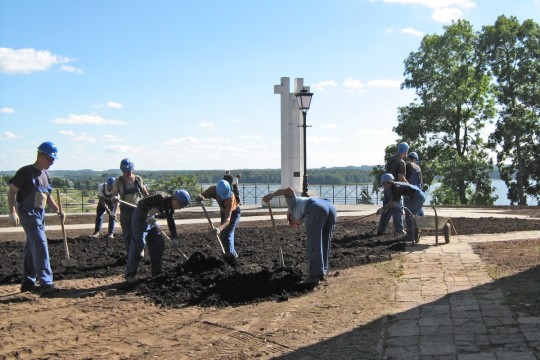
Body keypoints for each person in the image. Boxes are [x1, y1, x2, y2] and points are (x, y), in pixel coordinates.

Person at [7, 141, 64, 296]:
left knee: (31, 246)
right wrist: (13, 212)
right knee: (40, 243)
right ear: (41, 156)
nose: (52, 162)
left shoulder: (45, 175)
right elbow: (12, 192)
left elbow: (47, 195)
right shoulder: (25, 172)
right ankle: (46, 282)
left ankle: (27, 282)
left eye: (53, 159)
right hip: (27, 213)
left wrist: (58, 210)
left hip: (40, 213)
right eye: (50, 159)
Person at [262, 187, 337, 286]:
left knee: (313, 242)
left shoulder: (292, 206)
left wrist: (271, 195)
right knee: (324, 241)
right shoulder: (302, 209)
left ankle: (314, 276)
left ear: (290, 216)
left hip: (315, 207)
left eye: (293, 223)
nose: (296, 225)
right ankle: (322, 272)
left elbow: (288, 190)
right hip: (330, 207)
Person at [125, 190, 190, 284]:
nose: (180, 208)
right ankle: (130, 275)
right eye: (180, 205)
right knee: (138, 245)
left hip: (151, 220)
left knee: (159, 244)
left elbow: (170, 220)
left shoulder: (170, 207)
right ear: (175, 199)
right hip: (140, 218)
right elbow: (141, 203)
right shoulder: (160, 197)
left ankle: (156, 272)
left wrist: (174, 238)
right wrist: (145, 217)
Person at [195, 180, 241, 265]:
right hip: (223, 211)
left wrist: (219, 229)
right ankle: (231, 255)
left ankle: (231, 257)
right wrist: (200, 197)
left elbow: (228, 219)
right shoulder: (213, 190)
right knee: (224, 234)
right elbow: (202, 195)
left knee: (226, 234)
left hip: (233, 213)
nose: (222, 198)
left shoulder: (230, 199)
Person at [111, 158, 149, 254]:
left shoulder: (138, 179)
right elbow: (114, 196)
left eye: (129, 170)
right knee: (127, 234)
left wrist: (150, 207)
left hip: (139, 209)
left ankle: (140, 251)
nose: (128, 172)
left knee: (138, 232)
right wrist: (114, 211)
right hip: (125, 211)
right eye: (125, 171)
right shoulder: (118, 181)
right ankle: (130, 254)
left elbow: (145, 194)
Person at [377, 173, 426, 242]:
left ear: (389, 182)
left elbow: (393, 203)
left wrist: (383, 208)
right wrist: (386, 208)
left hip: (417, 197)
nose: (384, 186)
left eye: (384, 184)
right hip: (418, 196)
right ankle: (417, 232)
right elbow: (393, 200)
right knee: (414, 215)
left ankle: (411, 236)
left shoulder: (397, 187)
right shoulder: (396, 186)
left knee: (409, 216)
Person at [377, 142, 409, 236]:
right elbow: (401, 178)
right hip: (395, 188)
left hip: (387, 186)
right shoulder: (401, 162)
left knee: (386, 209)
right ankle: (399, 230)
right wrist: (409, 186)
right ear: (405, 151)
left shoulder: (391, 159)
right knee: (398, 209)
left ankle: (381, 229)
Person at [405, 151, 424, 217]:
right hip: (419, 193)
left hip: (409, 194)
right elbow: (421, 182)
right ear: (416, 159)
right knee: (419, 210)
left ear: (409, 158)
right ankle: (422, 225)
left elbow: (404, 180)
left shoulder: (407, 166)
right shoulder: (418, 168)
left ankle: (411, 227)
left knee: (409, 214)